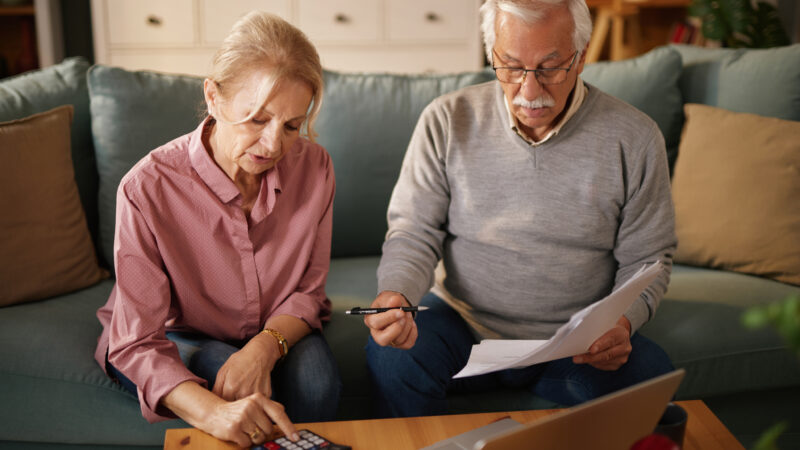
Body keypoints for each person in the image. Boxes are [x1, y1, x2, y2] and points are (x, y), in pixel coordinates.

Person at [363, 0, 677, 418]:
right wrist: (397, 294)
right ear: (492, 55)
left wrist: (621, 323)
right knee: (392, 357)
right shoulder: (446, 119)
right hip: (461, 324)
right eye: (510, 67)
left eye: (550, 67)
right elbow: (414, 231)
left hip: (576, 340)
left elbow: (648, 260)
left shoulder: (635, 138)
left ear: (581, 57)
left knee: (655, 383)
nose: (529, 92)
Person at [94, 12, 340, 448]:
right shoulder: (146, 187)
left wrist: (263, 348)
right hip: (179, 329)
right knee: (227, 377)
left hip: (272, 324)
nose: (273, 146)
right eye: (256, 119)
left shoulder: (315, 168)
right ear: (213, 96)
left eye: (290, 126)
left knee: (317, 383)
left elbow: (308, 290)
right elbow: (134, 343)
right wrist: (215, 414)